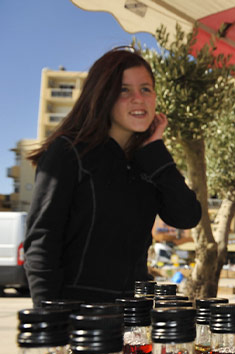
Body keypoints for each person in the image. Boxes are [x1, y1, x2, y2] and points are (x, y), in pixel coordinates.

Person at [24, 48, 201, 307]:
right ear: (103, 95)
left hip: (135, 319)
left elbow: (187, 216)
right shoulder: (68, 153)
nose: (138, 99)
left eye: (146, 89)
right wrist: (50, 321)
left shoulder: (148, 161)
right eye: (124, 90)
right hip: (80, 319)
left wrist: (155, 151)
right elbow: (42, 242)